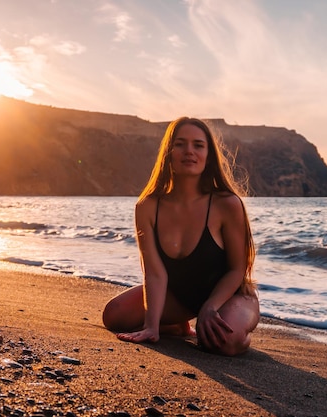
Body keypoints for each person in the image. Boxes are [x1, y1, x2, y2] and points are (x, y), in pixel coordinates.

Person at [102, 116, 259, 356]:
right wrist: (151, 327)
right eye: (180, 144)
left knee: (224, 342)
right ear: (168, 152)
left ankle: (239, 331)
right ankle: (176, 325)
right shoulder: (147, 207)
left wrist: (210, 306)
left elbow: (237, 270)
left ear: (208, 156)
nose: (189, 151)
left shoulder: (226, 204)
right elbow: (154, 273)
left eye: (198, 145)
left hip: (230, 296)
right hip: (180, 297)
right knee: (114, 315)